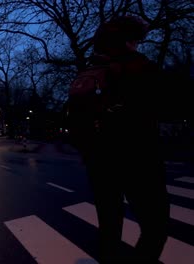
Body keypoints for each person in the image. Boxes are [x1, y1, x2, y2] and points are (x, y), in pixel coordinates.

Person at [81, 16, 172, 263]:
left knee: (110, 229)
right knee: (156, 226)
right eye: (135, 41)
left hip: (99, 164)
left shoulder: (90, 72)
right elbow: (173, 103)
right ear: (127, 42)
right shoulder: (139, 68)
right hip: (139, 160)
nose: (138, 45)